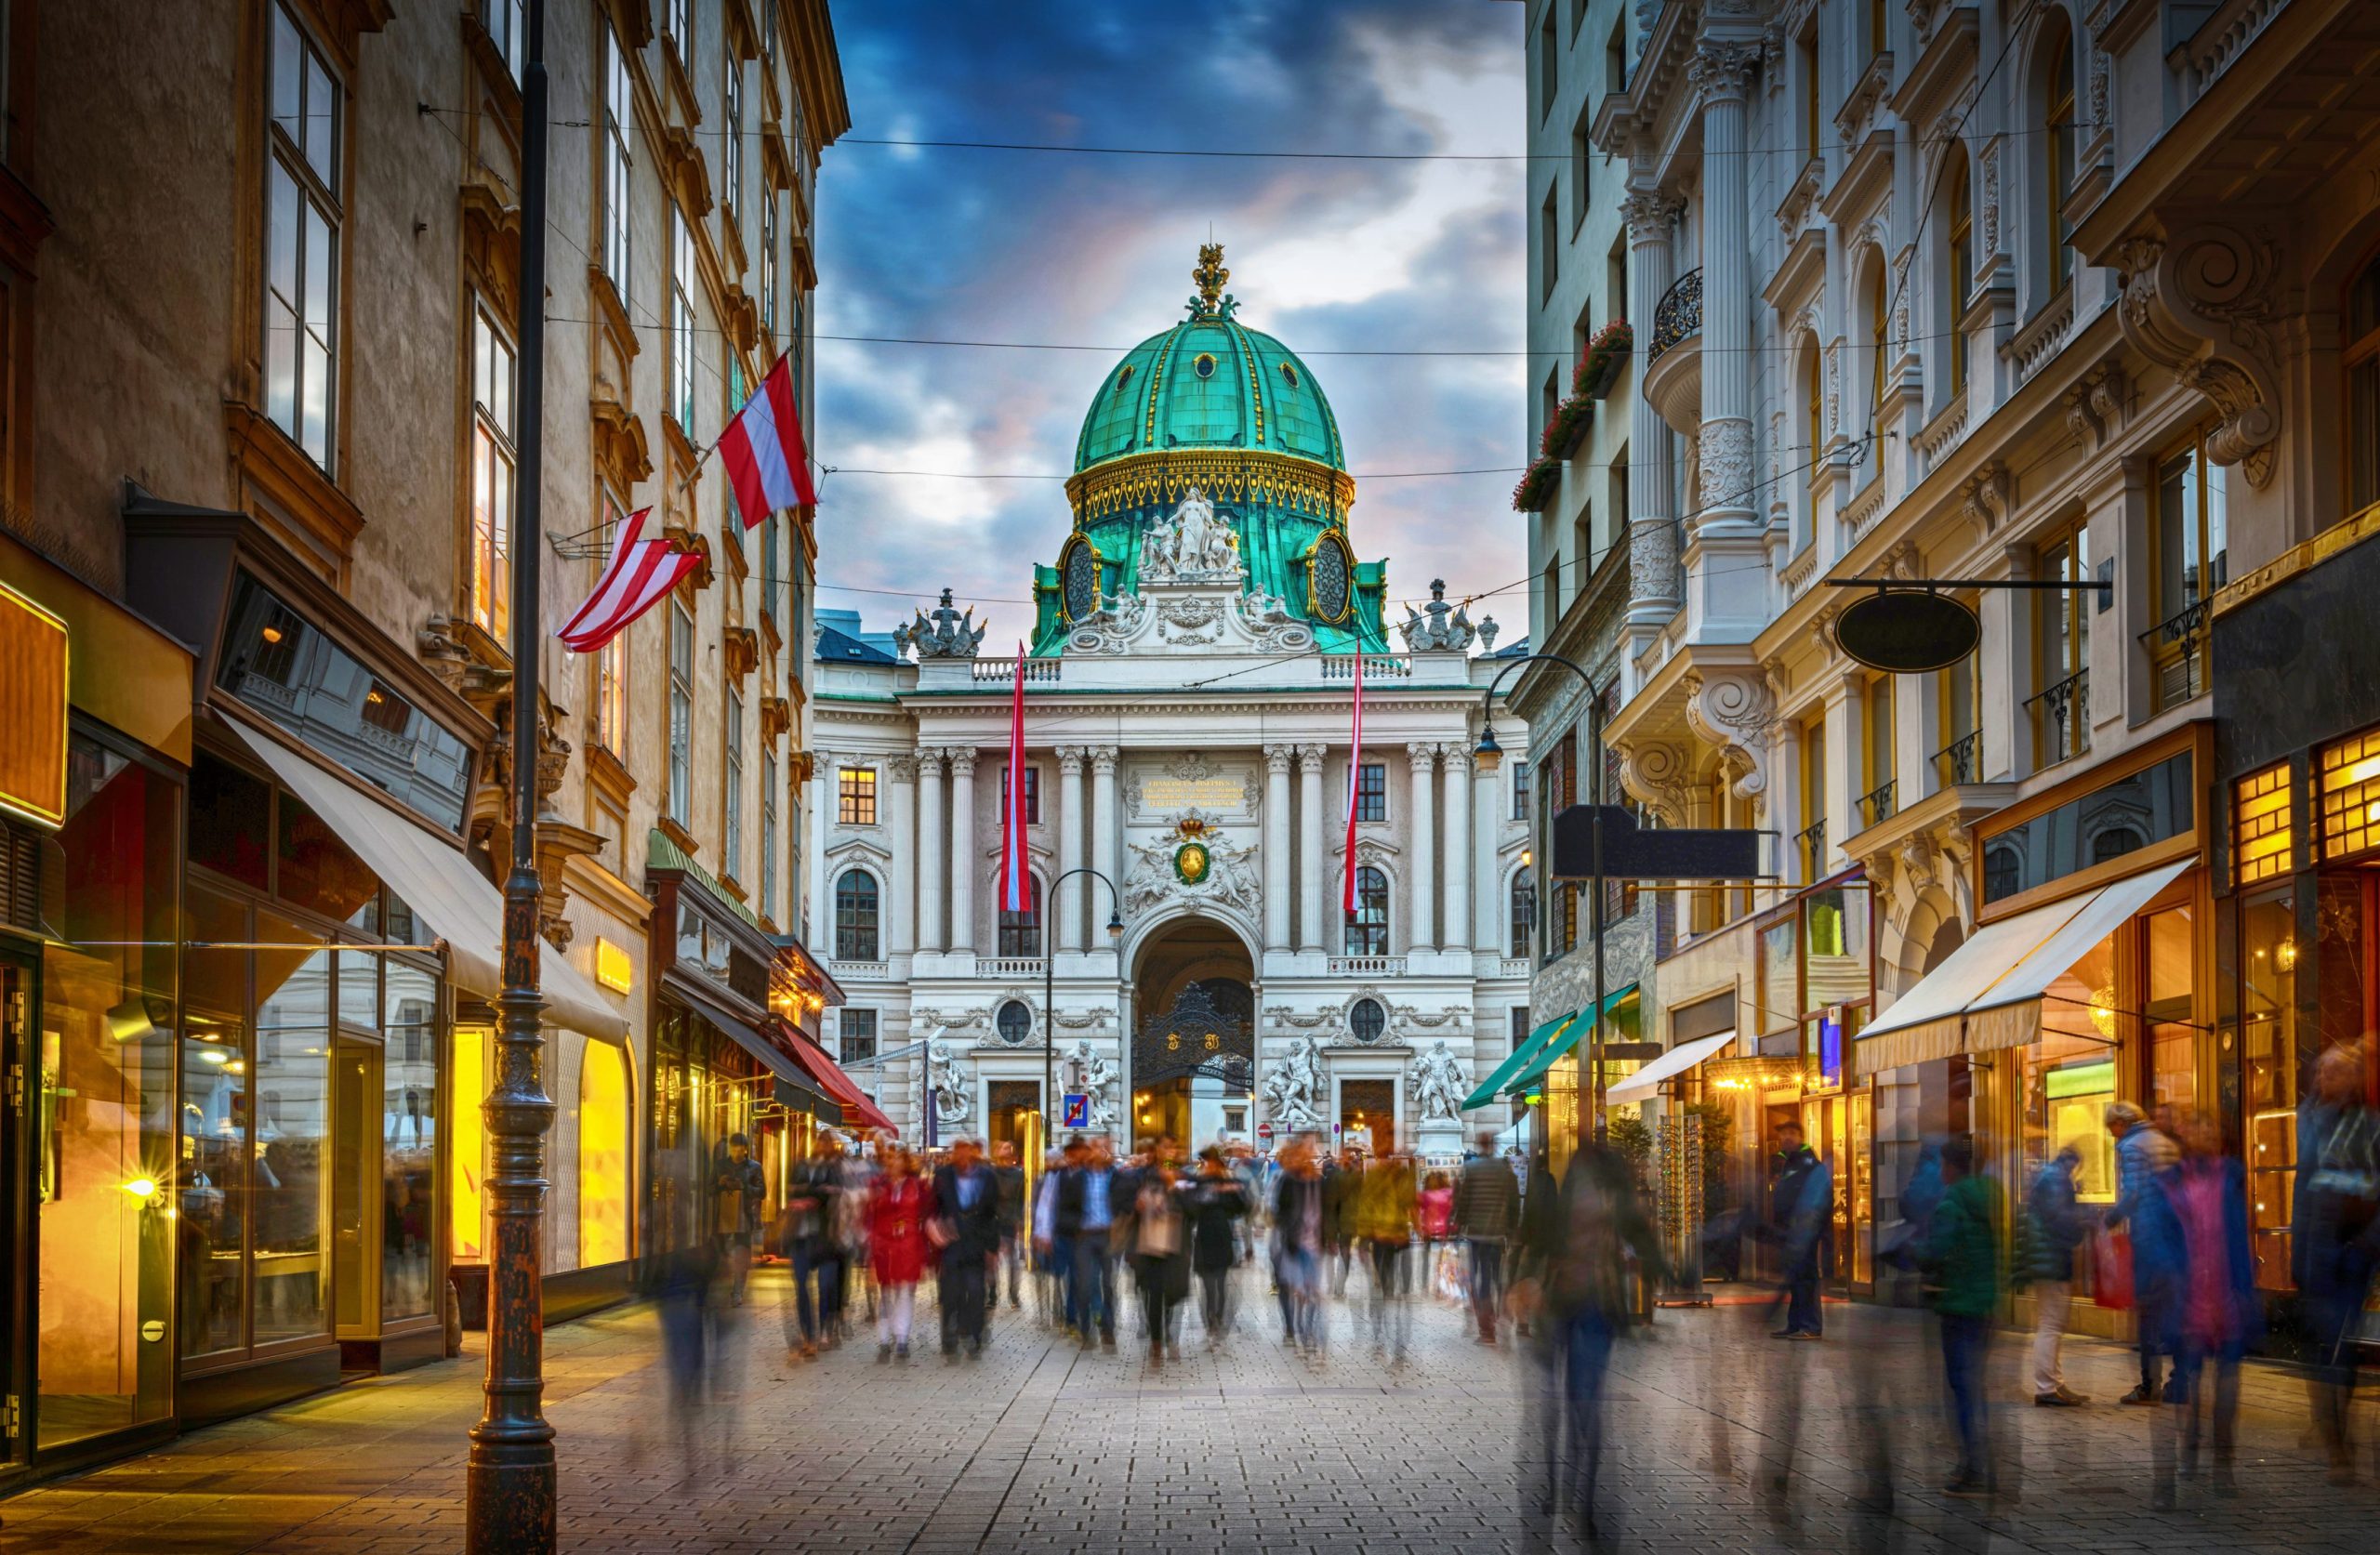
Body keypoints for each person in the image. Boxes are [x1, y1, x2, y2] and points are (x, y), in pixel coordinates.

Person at [1511, 1139, 1665, 1538]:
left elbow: (1643, 1241)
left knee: (1583, 1406)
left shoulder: (1613, 1204)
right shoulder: (1561, 1202)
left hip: (1595, 1310)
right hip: (1559, 1305)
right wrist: (1522, 1285)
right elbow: (1534, 1243)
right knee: (1556, 1407)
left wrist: (1663, 1268)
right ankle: (1558, 1489)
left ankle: (1585, 1499)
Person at [2157, 1110, 2260, 1504]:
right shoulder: (2172, 1180)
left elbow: (2239, 1237)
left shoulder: (2232, 1176)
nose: (2205, 1133)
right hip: (2188, 1295)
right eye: (2198, 1126)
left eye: (2212, 1127)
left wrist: (2247, 1291)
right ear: (2185, 1134)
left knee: (2228, 1383)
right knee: (2192, 1377)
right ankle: (2190, 1448)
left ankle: (2224, 1463)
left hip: (2227, 1291)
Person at [2294, 1040, 2377, 1482]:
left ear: (2355, 1079)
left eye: (2338, 1072)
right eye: (2323, 1072)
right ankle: (2332, 1431)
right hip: (2315, 1253)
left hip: (2349, 1254)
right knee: (2318, 1350)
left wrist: (2366, 1245)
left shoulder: (2370, 1126)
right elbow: (2302, 1189)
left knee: (2338, 1352)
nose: (2327, 1079)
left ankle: (2339, 1447)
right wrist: (2296, 1252)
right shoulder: (2311, 1122)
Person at [1924, 1137, 2002, 1497]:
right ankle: (1981, 1460)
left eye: (1943, 1164)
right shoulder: (1991, 1192)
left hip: (1957, 1303)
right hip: (1984, 1300)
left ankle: (1972, 1466)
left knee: (1961, 1386)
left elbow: (1936, 1249)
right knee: (1974, 1383)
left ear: (1951, 1166)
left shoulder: (1952, 1201)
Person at [2105, 1100, 2182, 1404]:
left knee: (2148, 1315)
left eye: (2111, 1128)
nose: (2112, 1135)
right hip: (2175, 1237)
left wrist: (2113, 1216)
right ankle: (2181, 1383)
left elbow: (2134, 1192)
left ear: (2120, 1123)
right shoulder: (2164, 1142)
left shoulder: (2132, 1146)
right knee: (2174, 1312)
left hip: (2150, 1238)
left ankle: (2149, 1386)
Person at [2027, 1142, 2089, 1405]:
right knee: (2051, 1325)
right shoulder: (2057, 1180)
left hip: (2046, 1259)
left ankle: (2054, 1383)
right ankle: (2046, 1387)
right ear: (2071, 1163)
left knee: (2052, 1324)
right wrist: (2082, 1221)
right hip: (2052, 1260)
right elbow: (2061, 1221)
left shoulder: (2050, 1177)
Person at [932, 1136, 1001, 1361]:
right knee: (951, 1293)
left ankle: (975, 1337)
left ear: (971, 1153)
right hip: (951, 1243)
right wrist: (937, 1233)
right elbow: (934, 1208)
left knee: (976, 1291)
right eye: (957, 1151)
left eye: (965, 1151)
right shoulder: (942, 1175)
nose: (961, 1156)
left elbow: (992, 1214)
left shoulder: (987, 1176)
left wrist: (993, 1248)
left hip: (977, 1242)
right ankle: (949, 1340)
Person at [781, 1134, 846, 1361]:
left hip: (825, 1237)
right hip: (799, 1236)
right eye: (820, 1142)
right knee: (800, 1286)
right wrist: (816, 1192)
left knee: (826, 1286)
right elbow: (790, 1191)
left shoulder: (834, 1168)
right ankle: (808, 1336)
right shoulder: (799, 1166)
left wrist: (810, 1193)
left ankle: (825, 1331)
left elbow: (836, 1194)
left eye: (826, 1143)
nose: (822, 1146)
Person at [1129, 1137, 1192, 1365]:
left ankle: (1170, 1335)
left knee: (1172, 1295)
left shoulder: (1182, 1175)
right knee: (1153, 1295)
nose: (1169, 1152)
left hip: (1174, 1247)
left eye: (1172, 1147)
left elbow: (1192, 1210)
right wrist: (1137, 1205)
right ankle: (1157, 1342)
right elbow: (1124, 1200)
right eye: (1165, 1147)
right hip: (1148, 1246)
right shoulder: (1141, 1175)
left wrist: (1173, 1186)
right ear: (1156, 1151)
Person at [1454, 1131, 1521, 1345]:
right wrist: (1511, 1230)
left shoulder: (1470, 1169)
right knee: (1497, 1276)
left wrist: (1459, 1225)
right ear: (1493, 1145)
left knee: (1480, 1280)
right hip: (1497, 1233)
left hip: (1476, 1233)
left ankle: (1487, 1330)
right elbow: (1514, 1204)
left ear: (1479, 1145)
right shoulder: (1505, 1171)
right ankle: (1503, 1315)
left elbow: (1463, 1202)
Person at [1054, 1133, 1118, 1350]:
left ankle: (1107, 1329)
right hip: (1085, 1236)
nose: (1100, 1151)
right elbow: (1065, 1209)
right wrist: (1076, 1226)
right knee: (1085, 1284)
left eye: (1103, 1147)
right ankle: (1087, 1328)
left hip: (1108, 1236)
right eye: (1095, 1148)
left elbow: (1123, 1202)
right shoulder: (1078, 1177)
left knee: (1108, 1285)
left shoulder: (1114, 1175)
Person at [867, 1147, 931, 1363]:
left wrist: (926, 1254)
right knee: (885, 1292)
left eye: (897, 1159)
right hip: (883, 1243)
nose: (893, 1163)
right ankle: (884, 1340)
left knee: (905, 1291)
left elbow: (926, 1215)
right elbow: (870, 1217)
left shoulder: (918, 1186)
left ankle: (902, 1339)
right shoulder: (878, 1184)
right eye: (890, 1159)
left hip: (909, 1243)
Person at [1769, 1122, 1831, 1338]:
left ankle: (1811, 1326)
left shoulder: (1809, 1163)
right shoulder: (1788, 1162)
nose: (1787, 1138)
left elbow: (1819, 1197)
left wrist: (1812, 1226)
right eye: (1784, 1133)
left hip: (1805, 1231)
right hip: (1790, 1230)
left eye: (1792, 1134)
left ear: (1800, 1137)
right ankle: (1795, 1324)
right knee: (1795, 1277)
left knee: (1806, 1277)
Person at [1357, 1142, 1419, 1362]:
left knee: (1385, 1288)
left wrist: (1364, 1240)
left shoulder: (1379, 1176)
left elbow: (1367, 1206)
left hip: (1386, 1238)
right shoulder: (1395, 1175)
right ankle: (1390, 1335)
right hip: (1395, 1237)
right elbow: (1409, 1201)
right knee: (1393, 1289)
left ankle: (1382, 1334)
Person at [1189, 1145, 1250, 1347]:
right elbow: (1191, 1207)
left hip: (1222, 1235)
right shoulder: (1199, 1182)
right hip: (1205, 1236)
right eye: (1204, 1162)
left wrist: (1233, 1191)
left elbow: (1242, 1206)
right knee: (1208, 1285)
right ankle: (1211, 1323)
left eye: (1208, 1162)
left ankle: (1219, 1319)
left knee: (1221, 1283)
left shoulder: (1228, 1181)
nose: (1206, 1166)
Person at [1272, 1136, 1328, 1350]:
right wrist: (1287, 1231)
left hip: (1314, 1242)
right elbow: (1279, 1210)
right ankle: (1292, 1326)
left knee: (1311, 1290)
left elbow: (1327, 1209)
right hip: (1294, 1241)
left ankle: (1307, 1330)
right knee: (1296, 1288)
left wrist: (1329, 1235)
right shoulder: (1287, 1179)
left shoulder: (1319, 1180)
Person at [710, 1134, 766, 1306]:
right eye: (734, 1149)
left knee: (741, 1255)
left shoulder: (754, 1167)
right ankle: (723, 1289)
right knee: (723, 1253)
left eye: (740, 1149)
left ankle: (737, 1292)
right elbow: (709, 1189)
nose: (736, 1152)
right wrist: (720, 1184)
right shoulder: (720, 1165)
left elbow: (762, 1192)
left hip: (744, 1217)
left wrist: (745, 1186)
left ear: (745, 1149)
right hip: (723, 1216)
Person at [992, 1140, 1027, 1313]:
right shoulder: (990, 1173)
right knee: (992, 1262)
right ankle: (992, 1295)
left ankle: (1014, 1295)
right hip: (994, 1221)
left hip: (1011, 1221)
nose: (1006, 1150)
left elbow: (1021, 1200)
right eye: (1003, 1147)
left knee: (1013, 1262)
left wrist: (1020, 1220)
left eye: (1009, 1148)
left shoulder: (1019, 1174)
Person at [1323, 1145, 1363, 1298]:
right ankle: (1338, 1288)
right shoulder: (1356, 1177)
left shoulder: (1332, 1175)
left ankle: (1333, 1286)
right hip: (1344, 1220)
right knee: (1343, 1253)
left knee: (1333, 1252)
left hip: (1338, 1219)